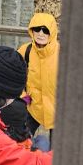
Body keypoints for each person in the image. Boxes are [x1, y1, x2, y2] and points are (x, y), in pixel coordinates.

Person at [21, 11, 59, 146]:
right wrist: (23, 96)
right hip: (33, 107)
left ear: (52, 32)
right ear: (32, 31)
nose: (40, 33)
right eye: (37, 29)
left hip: (56, 111)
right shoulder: (25, 51)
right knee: (21, 142)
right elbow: (14, 76)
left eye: (45, 30)